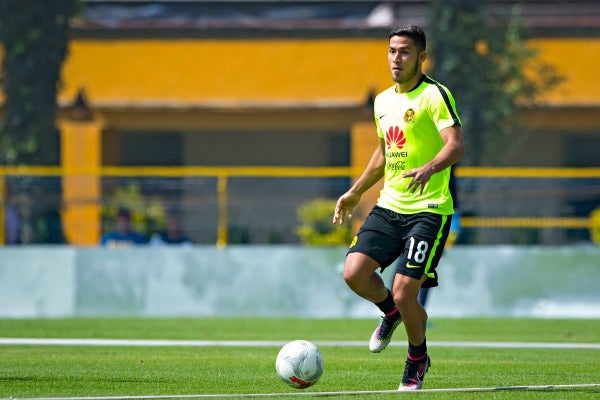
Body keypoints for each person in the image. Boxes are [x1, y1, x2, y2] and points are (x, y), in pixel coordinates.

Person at [332, 24, 465, 391]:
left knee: (407, 290)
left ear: (421, 57)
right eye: (392, 50)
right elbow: (383, 152)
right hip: (390, 206)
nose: (396, 58)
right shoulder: (383, 101)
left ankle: (417, 356)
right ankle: (390, 313)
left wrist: (430, 167)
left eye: (405, 51)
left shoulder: (435, 96)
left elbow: (455, 145)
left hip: (429, 210)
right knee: (354, 273)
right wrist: (356, 192)